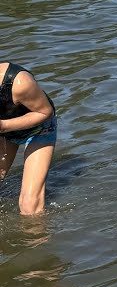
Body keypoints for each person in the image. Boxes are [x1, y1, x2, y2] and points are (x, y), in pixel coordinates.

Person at [0, 61, 58, 216]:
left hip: (38, 128)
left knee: (29, 206)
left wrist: (3, 126)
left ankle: (36, 237)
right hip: (4, 130)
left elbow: (45, 112)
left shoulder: (19, 81)